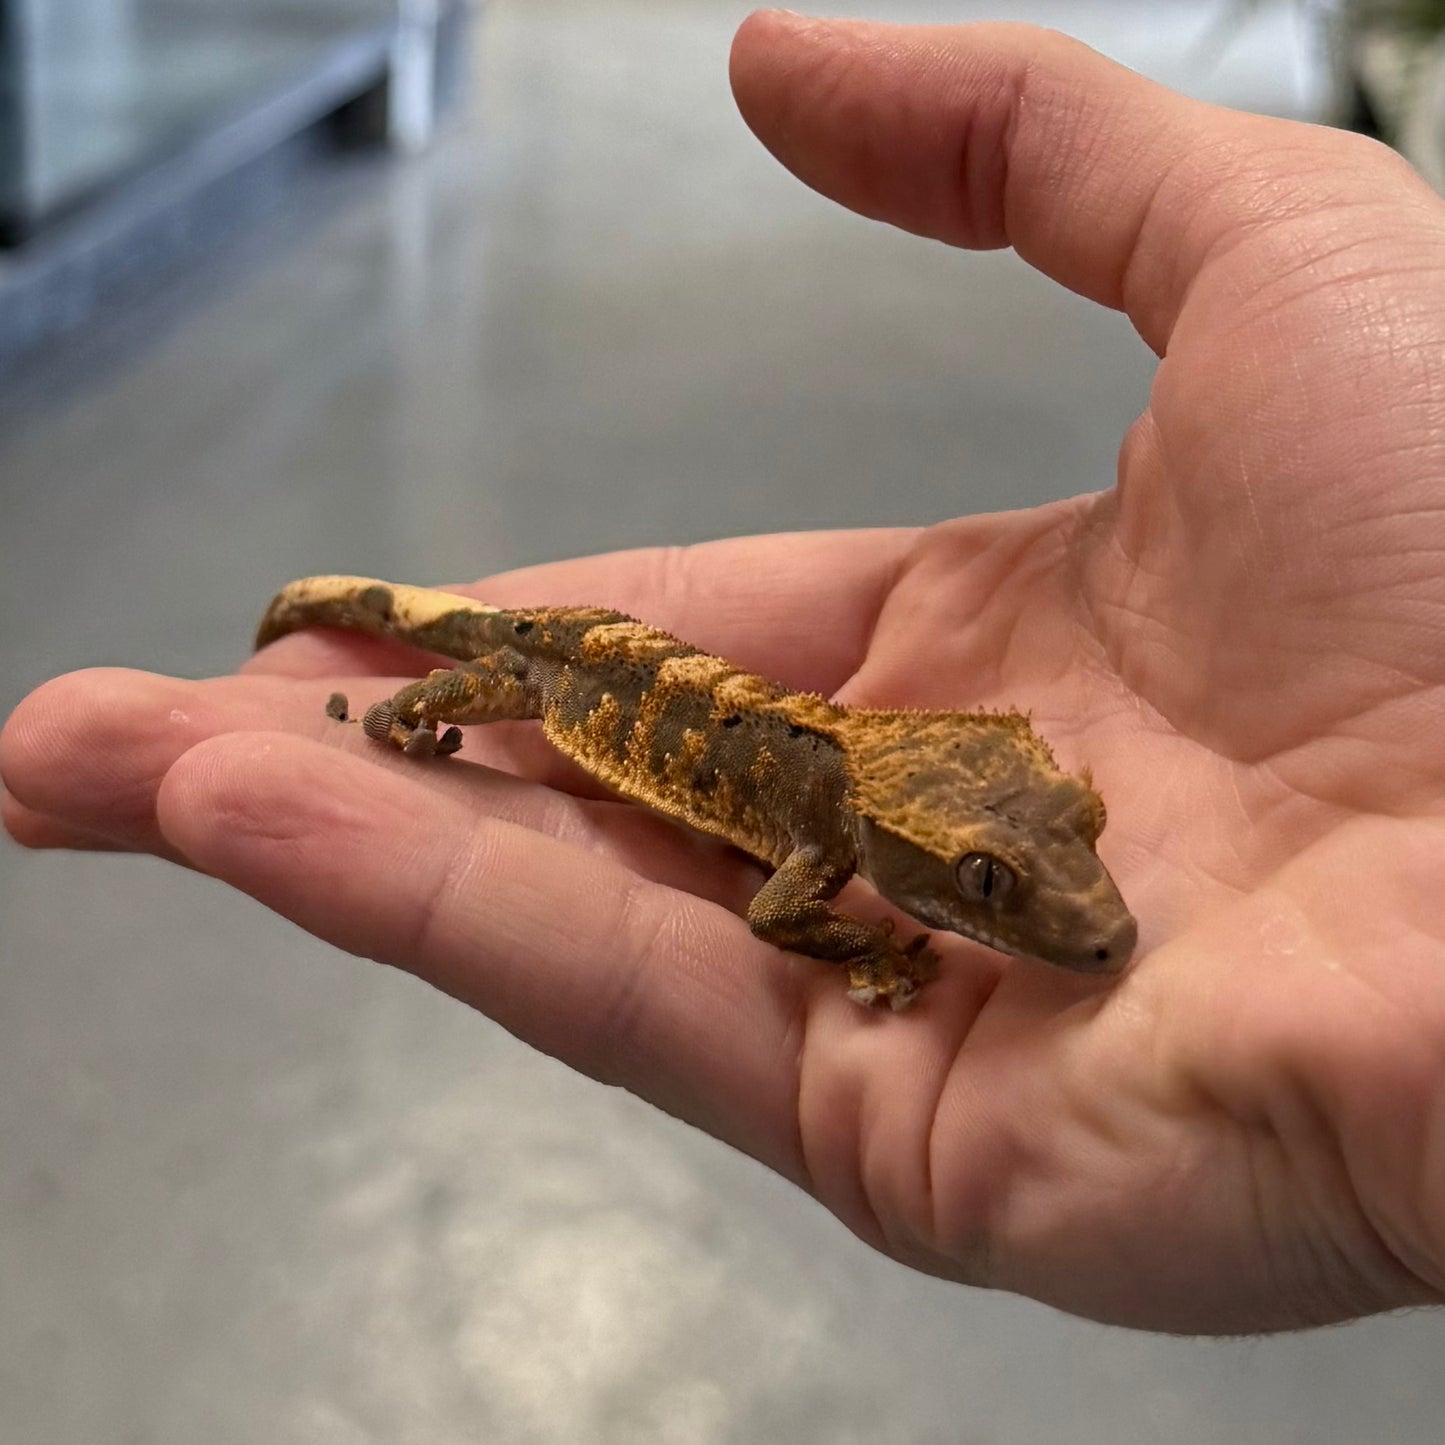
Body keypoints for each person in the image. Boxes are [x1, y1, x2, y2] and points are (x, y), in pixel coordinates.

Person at [5, 12, 1445, 1335]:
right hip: (575, 675)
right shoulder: (823, 845)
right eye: (982, 885)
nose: (1062, 912)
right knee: (450, 672)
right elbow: (770, 915)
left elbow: (984, 775)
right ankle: (383, 681)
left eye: (1021, 868)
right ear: (901, 856)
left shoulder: (885, 792)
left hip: (695, 699)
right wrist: (875, 943)